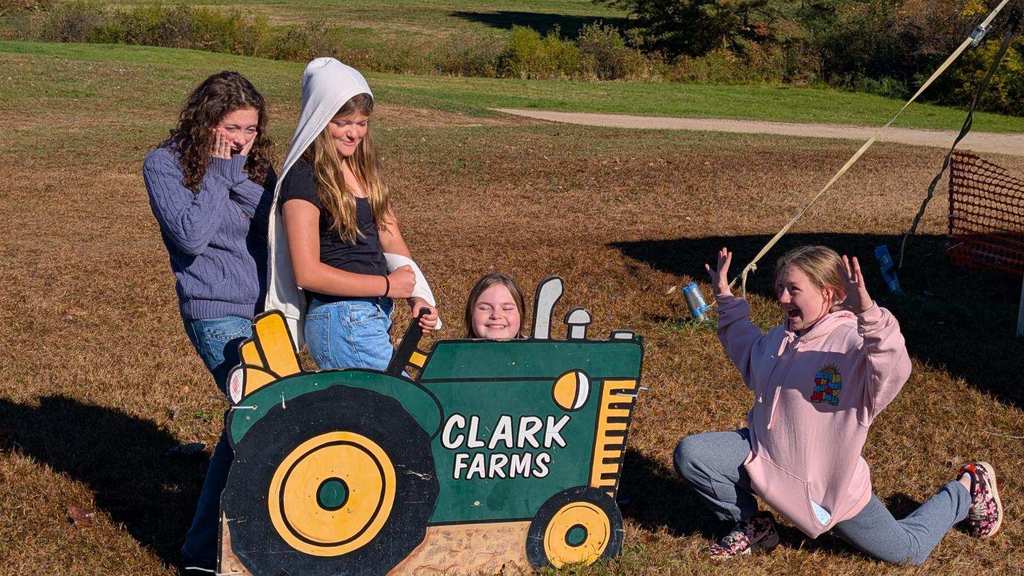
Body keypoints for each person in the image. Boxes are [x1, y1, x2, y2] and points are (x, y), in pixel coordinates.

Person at [674, 245, 1003, 564]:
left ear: (828, 294)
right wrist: (725, 298)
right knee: (694, 454)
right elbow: (747, 348)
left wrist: (869, 314)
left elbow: (893, 366)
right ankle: (752, 526)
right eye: (779, 288)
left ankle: (968, 488)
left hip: (829, 490)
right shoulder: (781, 338)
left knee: (909, 550)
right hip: (762, 456)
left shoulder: (851, 342)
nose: (782, 298)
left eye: (793, 289)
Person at [142, 71, 275, 571]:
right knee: (260, 408)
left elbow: (276, 220)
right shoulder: (165, 164)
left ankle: (215, 546)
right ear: (207, 121)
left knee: (256, 416)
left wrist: (237, 174)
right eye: (232, 128)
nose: (241, 140)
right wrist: (221, 173)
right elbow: (191, 236)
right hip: (215, 311)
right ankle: (205, 552)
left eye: (250, 130)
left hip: (268, 315)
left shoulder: (253, 165)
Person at [267, 58, 438, 370]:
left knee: (382, 412)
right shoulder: (304, 176)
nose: (354, 133)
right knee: (403, 408)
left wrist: (418, 295)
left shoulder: (363, 170)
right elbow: (308, 272)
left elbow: (390, 236)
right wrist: (387, 285)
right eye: (343, 123)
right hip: (340, 318)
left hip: (370, 316)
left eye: (362, 123)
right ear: (319, 118)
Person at [464, 272, 527, 339]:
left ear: (520, 314)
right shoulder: (454, 349)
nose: (496, 315)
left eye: (507, 308)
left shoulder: (536, 349)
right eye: (485, 308)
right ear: (471, 313)